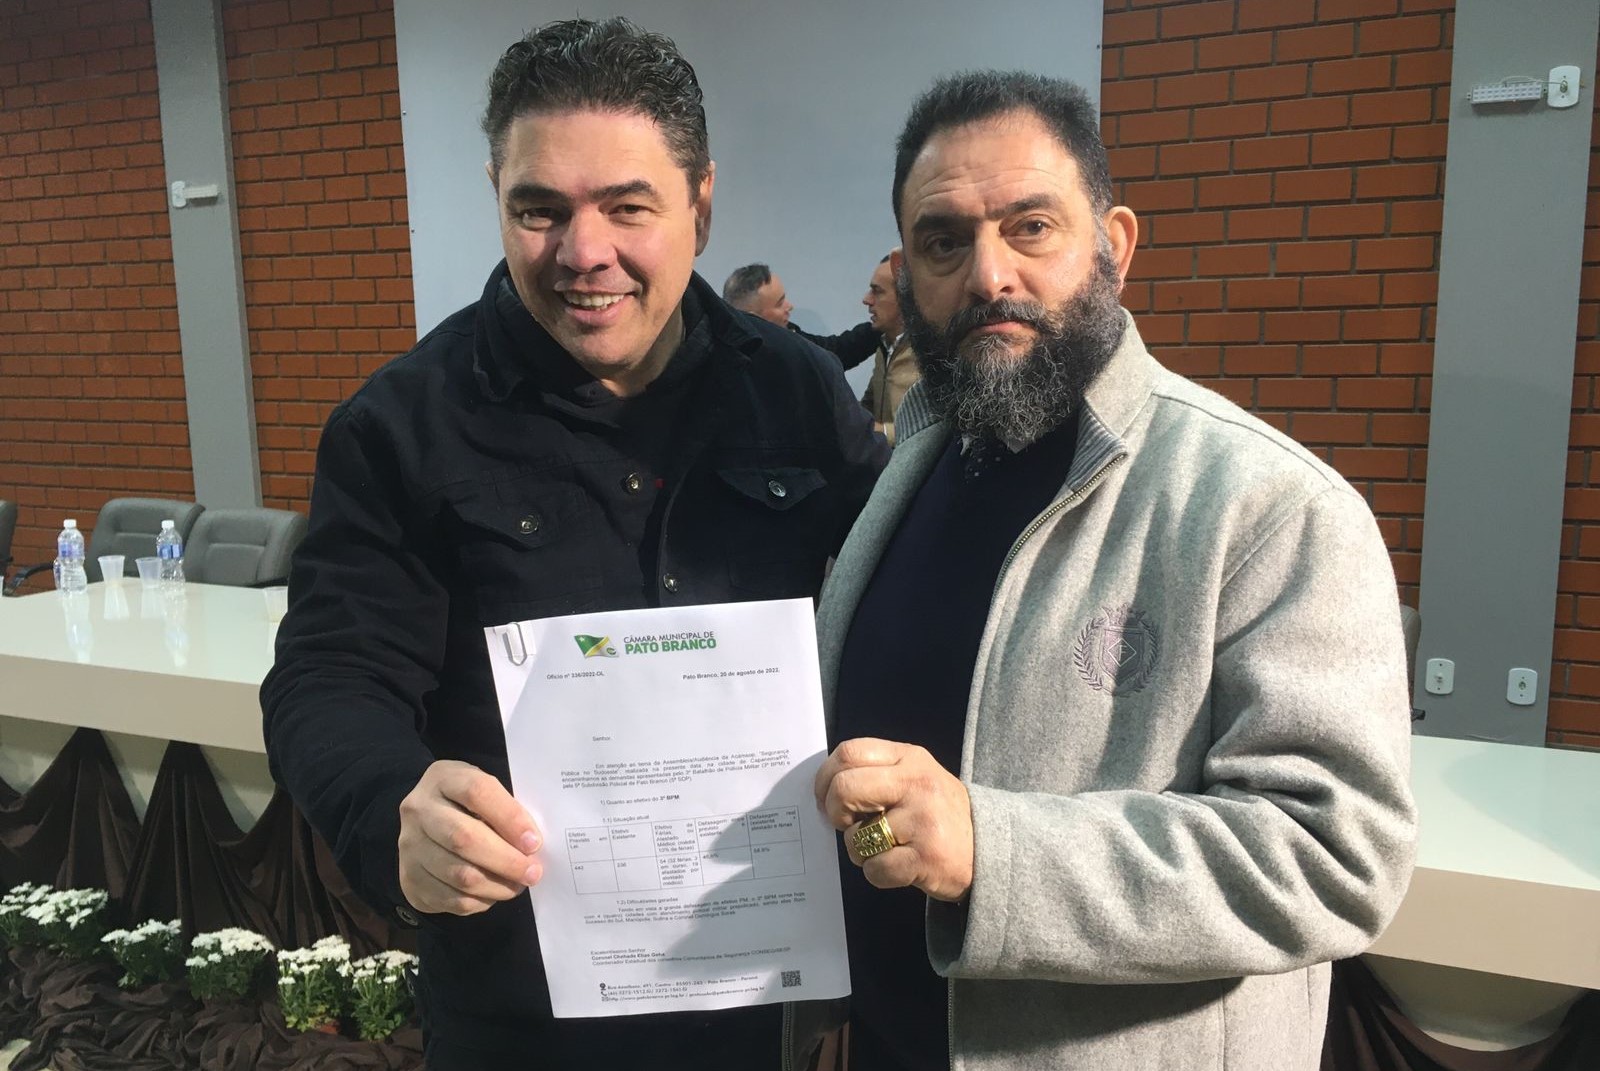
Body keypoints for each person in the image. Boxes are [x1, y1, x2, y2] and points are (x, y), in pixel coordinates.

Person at [259, 18, 887, 1070]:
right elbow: (327, 677)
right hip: (518, 1005)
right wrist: (392, 806)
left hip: (766, 995)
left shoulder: (796, 394)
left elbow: (892, 602)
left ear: (700, 205)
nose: (583, 252)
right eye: (539, 209)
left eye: (627, 207)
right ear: (497, 201)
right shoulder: (402, 426)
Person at [793, 71, 1417, 1071]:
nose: (988, 274)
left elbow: (1336, 854)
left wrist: (992, 849)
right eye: (944, 241)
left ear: (1113, 244)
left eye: (1031, 227)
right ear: (907, 275)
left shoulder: (1266, 506)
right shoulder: (910, 472)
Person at [724, 261, 880, 370]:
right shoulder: (733, 368)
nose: (789, 306)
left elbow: (835, 352)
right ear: (753, 319)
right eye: (779, 303)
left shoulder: (790, 336)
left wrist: (879, 327)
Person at [858, 252, 920, 443]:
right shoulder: (885, 345)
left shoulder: (931, 353)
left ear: (905, 297)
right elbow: (868, 405)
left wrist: (879, 432)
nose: (866, 300)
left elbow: (937, 429)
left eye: (877, 291)